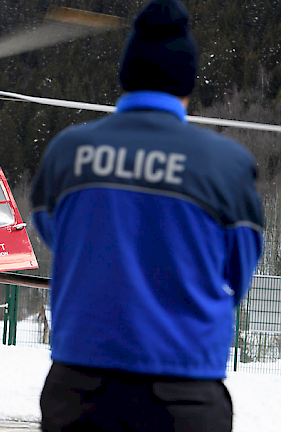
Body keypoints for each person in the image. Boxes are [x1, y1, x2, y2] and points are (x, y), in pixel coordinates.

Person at [30, 1, 263, 431]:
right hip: (185, 391)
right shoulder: (227, 165)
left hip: (81, 387)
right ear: (188, 80)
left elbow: (53, 232)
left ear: (126, 74)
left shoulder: (68, 152)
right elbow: (239, 271)